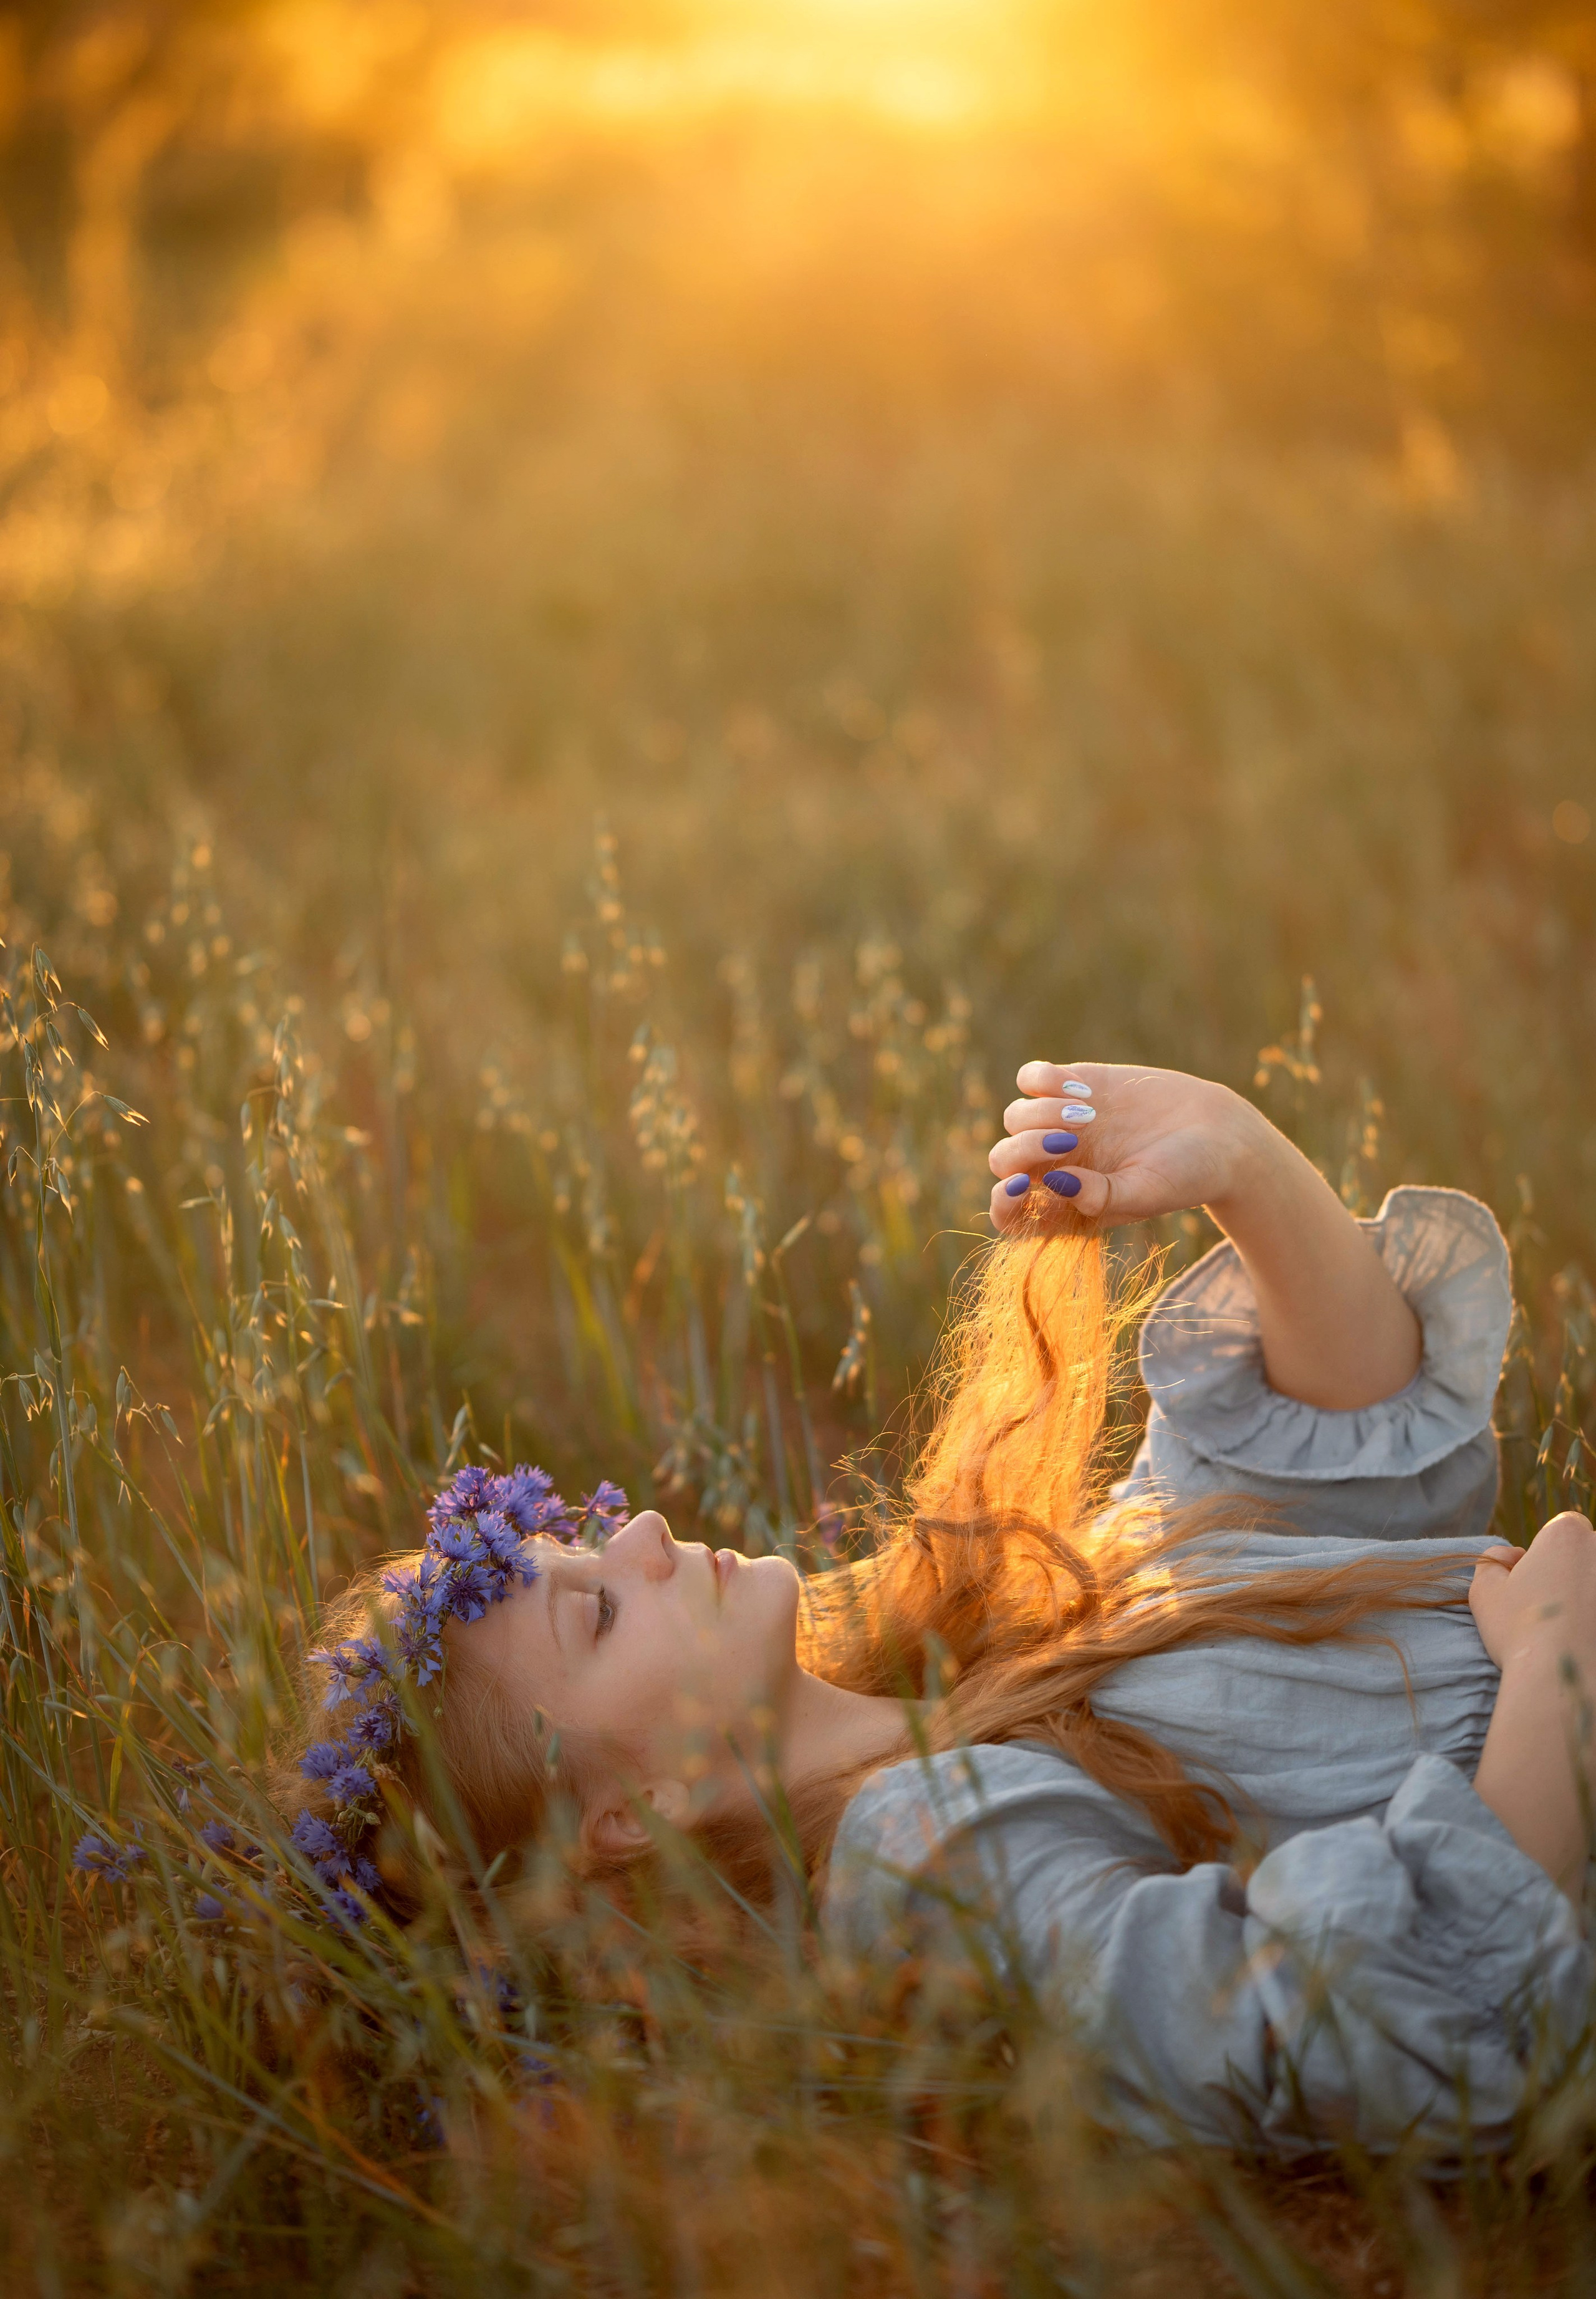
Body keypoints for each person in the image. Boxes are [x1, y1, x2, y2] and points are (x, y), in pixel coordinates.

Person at [281, 1061, 1594, 2155]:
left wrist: (1235, 1158)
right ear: (635, 1810)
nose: (644, 1535)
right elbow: (1325, 2022)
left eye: (584, 1543)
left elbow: (1336, 1453)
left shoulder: (978, 1670)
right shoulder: (914, 1854)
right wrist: (1554, 1677)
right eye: (599, 1613)